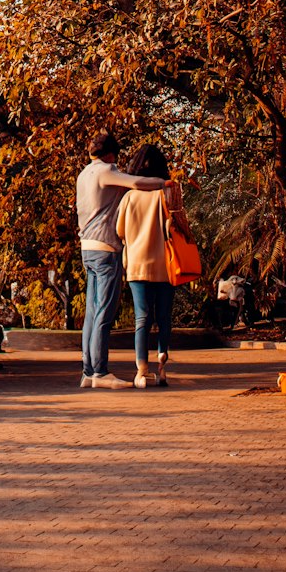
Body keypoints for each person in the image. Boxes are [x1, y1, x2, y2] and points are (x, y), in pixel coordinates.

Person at [76, 130, 167, 389]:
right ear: (110, 154)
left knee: (91, 313)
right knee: (104, 311)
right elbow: (137, 183)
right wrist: (162, 183)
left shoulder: (84, 174)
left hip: (87, 248)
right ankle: (101, 372)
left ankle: (88, 372)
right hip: (105, 248)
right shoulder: (105, 171)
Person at [115, 143, 185, 388]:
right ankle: (162, 364)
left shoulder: (129, 197)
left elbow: (119, 230)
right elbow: (180, 225)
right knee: (164, 317)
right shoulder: (169, 192)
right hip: (166, 265)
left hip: (138, 266)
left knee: (142, 319)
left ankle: (141, 370)